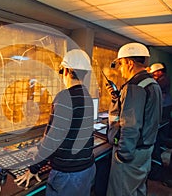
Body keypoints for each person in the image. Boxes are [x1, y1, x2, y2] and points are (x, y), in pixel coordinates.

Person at [14, 49, 96, 196]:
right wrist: (39, 147)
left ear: (66, 71)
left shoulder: (65, 98)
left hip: (68, 175)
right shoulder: (87, 97)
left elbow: (54, 139)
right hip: (87, 169)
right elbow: (68, 131)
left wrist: (34, 168)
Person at [106, 42, 162, 196]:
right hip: (145, 149)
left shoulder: (135, 86)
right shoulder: (152, 83)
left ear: (129, 63)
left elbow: (130, 125)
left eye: (121, 64)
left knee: (121, 191)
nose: (120, 69)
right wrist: (117, 100)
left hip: (131, 153)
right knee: (138, 189)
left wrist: (122, 155)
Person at [148, 62, 172, 186]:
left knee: (158, 141)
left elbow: (154, 86)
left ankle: (157, 170)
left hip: (163, 111)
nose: (153, 75)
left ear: (160, 71)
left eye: (154, 73)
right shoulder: (164, 79)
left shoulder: (163, 80)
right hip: (165, 111)